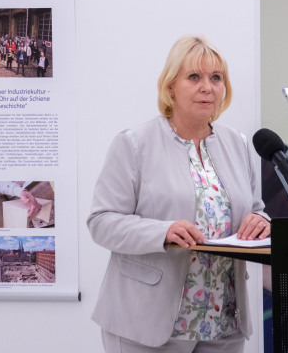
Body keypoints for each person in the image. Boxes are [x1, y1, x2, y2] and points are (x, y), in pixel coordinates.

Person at [87, 35, 270, 352]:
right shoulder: (134, 144)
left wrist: (261, 220)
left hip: (222, 321)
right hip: (148, 323)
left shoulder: (237, 144)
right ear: (171, 86)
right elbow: (101, 222)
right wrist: (163, 231)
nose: (207, 87)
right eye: (194, 77)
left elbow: (255, 209)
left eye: (216, 78)